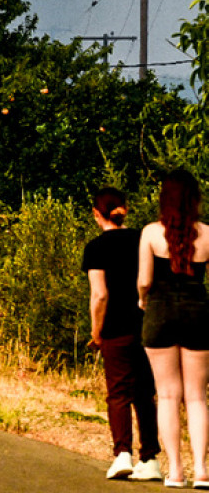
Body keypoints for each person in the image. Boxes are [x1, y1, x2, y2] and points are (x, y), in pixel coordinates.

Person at [81, 186, 161, 481]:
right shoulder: (145, 240)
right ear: (126, 208)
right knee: (144, 392)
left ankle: (122, 453)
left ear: (96, 213)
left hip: (115, 326)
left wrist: (96, 331)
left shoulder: (96, 248)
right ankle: (150, 457)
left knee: (118, 392)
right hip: (148, 323)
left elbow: (99, 295)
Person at [139, 170, 209, 488]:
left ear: (164, 199)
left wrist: (143, 301)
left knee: (167, 395)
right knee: (196, 397)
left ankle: (176, 472)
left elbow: (144, 281)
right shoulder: (207, 234)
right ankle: (203, 470)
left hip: (160, 313)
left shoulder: (151, 233)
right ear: (195, 199)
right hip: (197, 314)